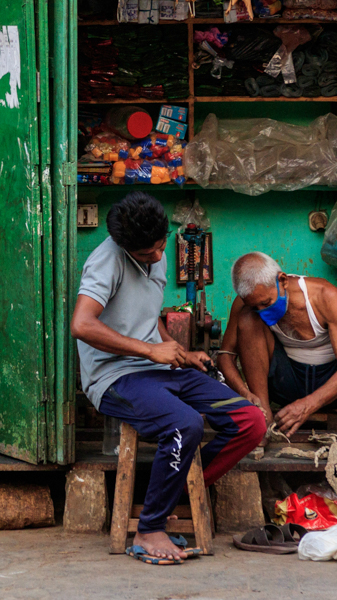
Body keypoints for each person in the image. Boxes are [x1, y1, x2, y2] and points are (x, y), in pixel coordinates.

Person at [70, 193, 266, 565]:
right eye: (147, 254)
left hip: (158, 368)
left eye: (160, 248)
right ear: (126, 247)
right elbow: (81, 325)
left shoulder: (157, 250)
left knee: (251, 422)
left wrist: (178, 351)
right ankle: (149, 528)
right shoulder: (106, 261)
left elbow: (148, 316)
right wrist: (148, 352)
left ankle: (168, 497)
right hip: (115, 377)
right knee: (184, 423)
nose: (158, 258)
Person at [225, 252, 337, 450]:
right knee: (247, 319)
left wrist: (307, 405)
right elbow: (225, 356)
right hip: (287, 383)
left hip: (335, 385)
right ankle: (264, 417)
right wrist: (245, 393)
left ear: (283, 280)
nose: (262, 310)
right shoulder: (246, 305)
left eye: (266, 303)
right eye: (256, 306)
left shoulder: (324, 295)